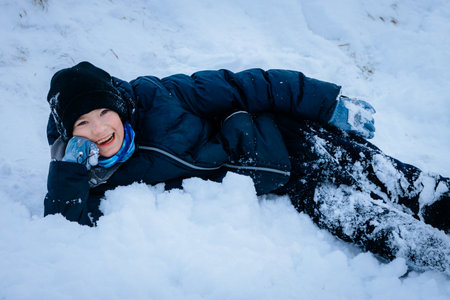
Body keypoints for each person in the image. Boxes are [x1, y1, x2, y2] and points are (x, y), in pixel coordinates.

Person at [45, 61, 449, 275]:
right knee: (374, 227)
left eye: (103, 112)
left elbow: (247, 84)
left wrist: (328, 104)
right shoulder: (96, 175)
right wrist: (72, 170)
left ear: (119, 107)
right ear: (71, 134)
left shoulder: (159, 96)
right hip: (286, 182)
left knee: (402, 184)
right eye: (83, 123)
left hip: (291, 136)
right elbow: (63, 230)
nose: (99, 128)